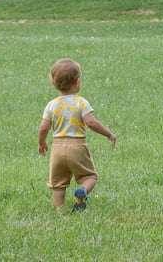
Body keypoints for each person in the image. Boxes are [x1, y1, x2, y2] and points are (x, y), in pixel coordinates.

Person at [38, 58, 117, 214]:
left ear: (54, 83)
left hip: (57, 148)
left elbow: (43, 128)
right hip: (77, 147)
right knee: (90, 177)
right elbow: (91, 122)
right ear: (77, 82)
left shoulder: (51, 105)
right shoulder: (81, 102)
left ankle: (59, 211)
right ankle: (82, 192)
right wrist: (109, 134)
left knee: (58, 183)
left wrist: (42, 143)